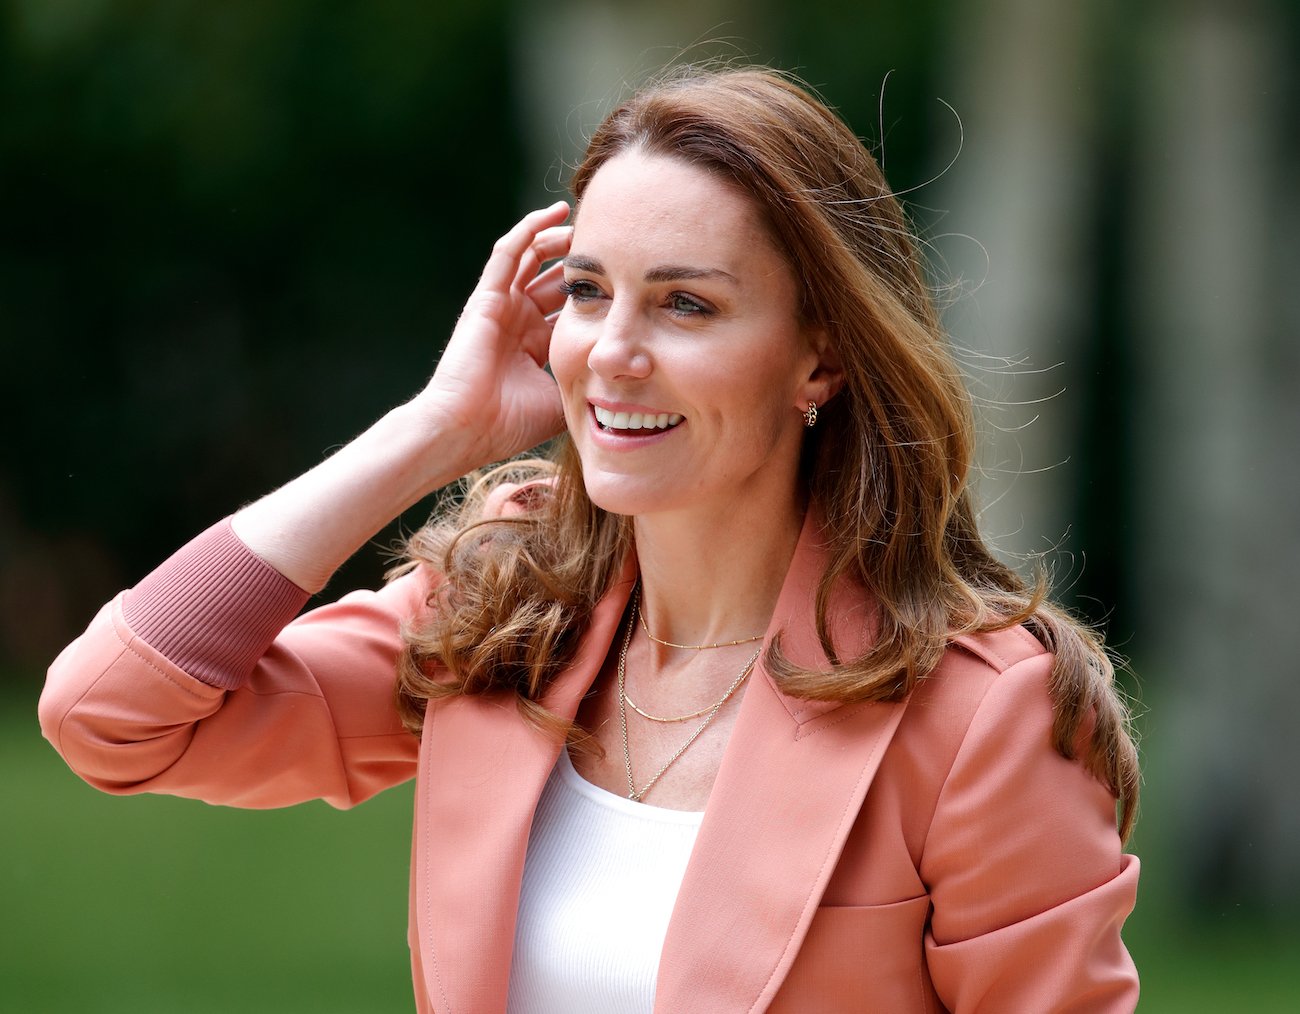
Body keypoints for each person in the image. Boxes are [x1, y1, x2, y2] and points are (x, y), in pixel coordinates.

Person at [40, 65, 1140, 1012]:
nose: (611, 351)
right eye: (586, 291)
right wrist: (432, 433)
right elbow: (111, 717)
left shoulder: (982, 710)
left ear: (819, 359)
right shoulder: (502, 613)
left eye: (686, 306)